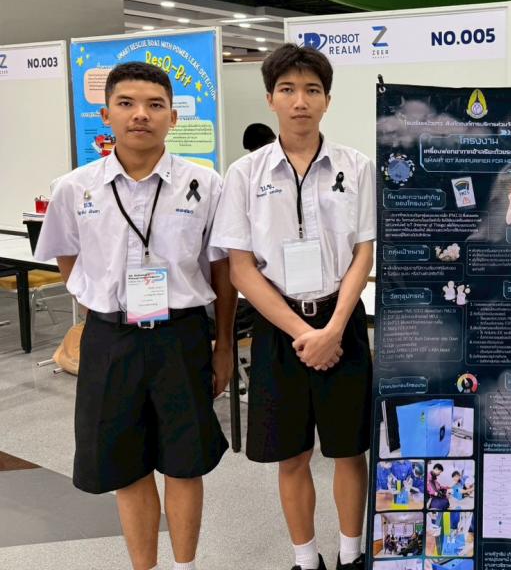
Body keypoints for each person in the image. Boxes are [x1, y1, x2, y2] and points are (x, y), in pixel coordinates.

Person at [35, 61, 234, 570]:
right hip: (112, 340)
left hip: (181, 336)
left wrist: (224, 346)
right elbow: (67, 259)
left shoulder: (204, 184)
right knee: (127, 465)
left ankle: (185, 566)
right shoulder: (74, 188)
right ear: (106, 115)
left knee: (185, 464)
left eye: (154, 105)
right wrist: (103, 302)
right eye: (126, 104)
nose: (140, 114)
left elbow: (221, 271)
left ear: (173, 117)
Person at [211, 44, 375, 570]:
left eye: (311, 90)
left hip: (341, 320)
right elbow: (240, 268)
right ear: (270, 99)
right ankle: (306, 559)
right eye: (287, 90)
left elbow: (364, 253)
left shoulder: (357, 166)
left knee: (349, 449)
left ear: (327, 100)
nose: (299, 101)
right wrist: (304, 333)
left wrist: (333, 328)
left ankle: (351, 555)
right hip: (278, 325)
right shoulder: (244, 173)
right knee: (292, 453)